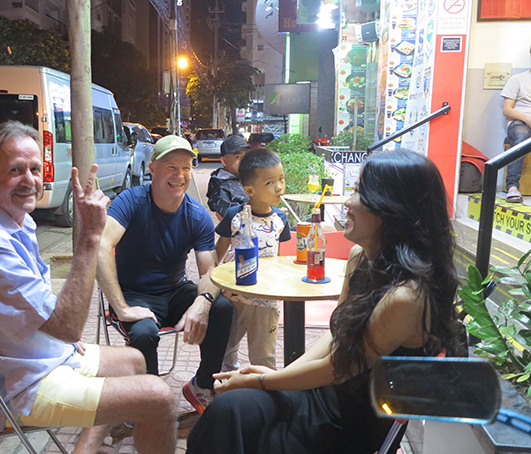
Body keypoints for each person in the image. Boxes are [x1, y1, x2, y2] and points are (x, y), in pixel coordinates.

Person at [187, 148, 462, 454]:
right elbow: (335, 336)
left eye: (358, 192)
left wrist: (266, 381)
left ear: (391, 208)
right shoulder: (361, 260)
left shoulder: (407, 297)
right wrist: (275, 378)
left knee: (232, 417)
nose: (346, 202)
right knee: (227, 411)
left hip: (346, 425)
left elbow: (339, 368)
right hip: (320, 392)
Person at [0, 121, 177, 454]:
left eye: (34, 168)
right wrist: (89, 238)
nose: (30, 180)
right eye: (15, 169)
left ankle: (84, 449)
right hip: (15, 386)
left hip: (28, 357)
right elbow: (67, 326)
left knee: (133, 361)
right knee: (159, 398)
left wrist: (65, 340)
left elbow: (47, 317)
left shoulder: (12, 220)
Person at [96, 134, 233, 414]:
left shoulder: (196, 215)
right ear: (152, 168)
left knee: (222, 306)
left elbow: (210, 272)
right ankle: (150, 402)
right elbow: (100, 247)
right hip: (134, 295)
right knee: (145, 333)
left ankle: (203, 385)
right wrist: (121, 307)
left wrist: (201, 304)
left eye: (186, 167)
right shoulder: (131, 201)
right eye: (171, 166)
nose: (179, 175)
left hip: (173, 292)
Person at [215, 148, 291, 370]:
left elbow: (279, 257)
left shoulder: (281, 217)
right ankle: (225, 393)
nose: (279, 187)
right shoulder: (234, 216)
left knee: (264, 356)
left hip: (266, 301)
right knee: (225, 352)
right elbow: (218, 252)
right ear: (249, 189)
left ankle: (265, 397)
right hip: (232, 297)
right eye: (269, 183)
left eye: (281, 179)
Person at [501, 45, 531, 203]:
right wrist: (527, 119)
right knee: (521, 135)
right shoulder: (517, 79)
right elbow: (507, 110)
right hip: (521, 121)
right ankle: (512, 186)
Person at [206, 134, 251, 219]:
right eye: (238, 157)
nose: (244, 161)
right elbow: (236, 222)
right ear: (224, 161)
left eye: (246, 156)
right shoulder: (222, 190)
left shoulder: (244, 178)